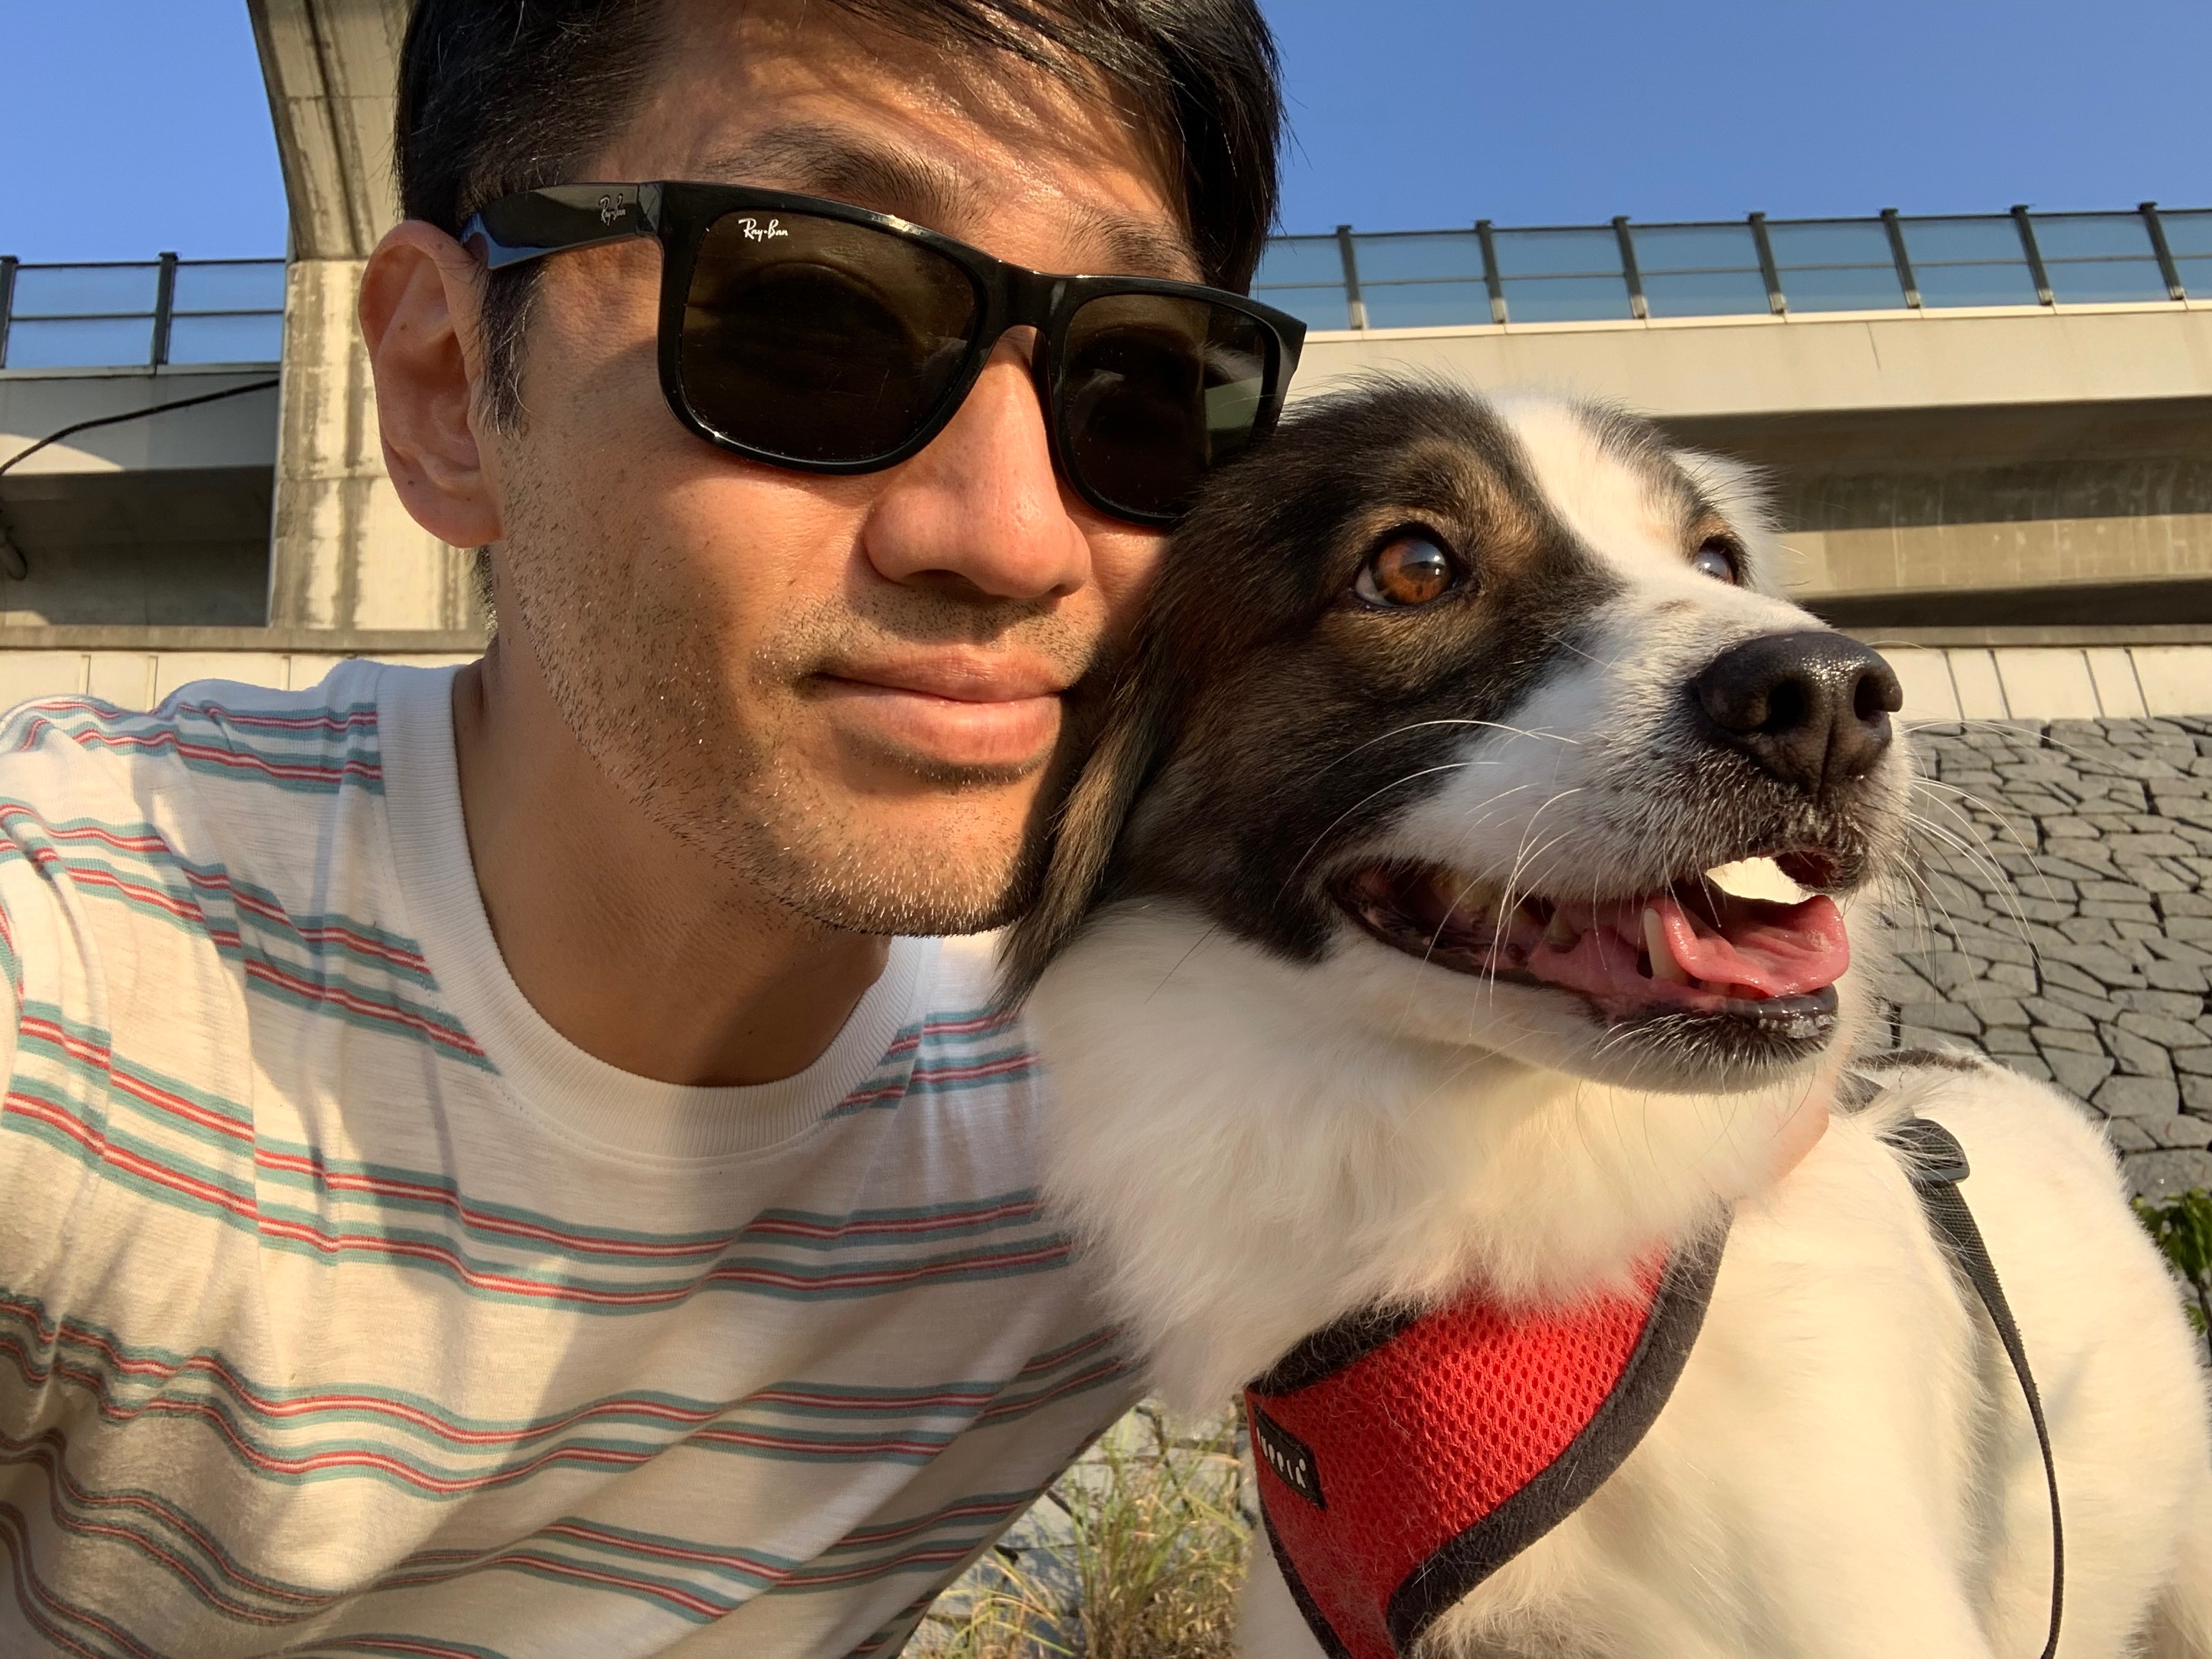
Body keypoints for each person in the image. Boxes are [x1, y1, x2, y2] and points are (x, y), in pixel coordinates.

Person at [0, 1, 1296, 1651]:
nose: (1011, 536)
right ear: (447, 382)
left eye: (1141, 385)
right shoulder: (79, 984)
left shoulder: (1144, 1111)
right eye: (811, 317)